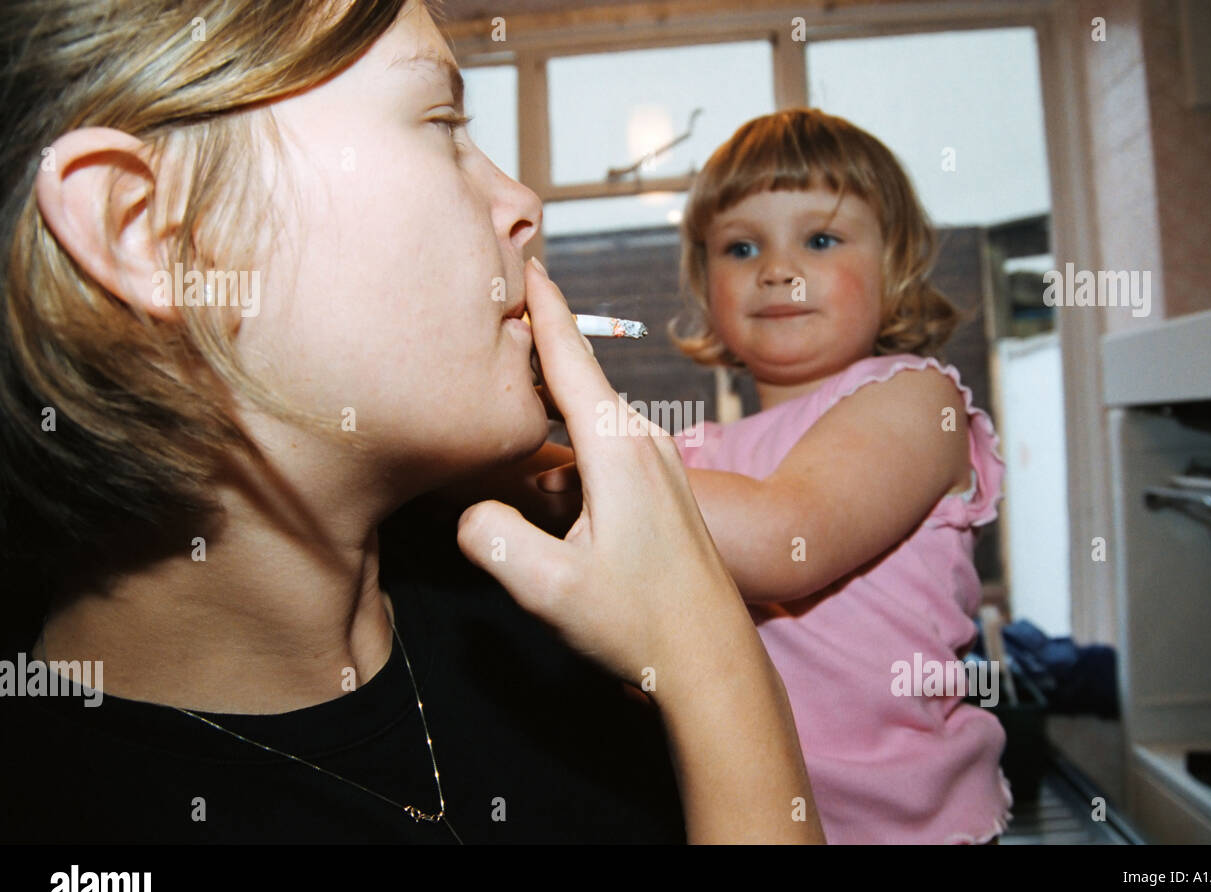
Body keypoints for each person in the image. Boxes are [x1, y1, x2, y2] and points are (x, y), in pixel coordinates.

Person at [0, 0, 822, 845]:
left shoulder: (536, 608)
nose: (523, 202)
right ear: (149, 232)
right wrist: (711, 666)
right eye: (442, 122)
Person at [667, 110, 1013, 843]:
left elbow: (785, 537)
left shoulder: (918, 399)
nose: (775, 268)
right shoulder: (689, 456)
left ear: (895, 265)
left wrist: (587, 459)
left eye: (820, 239)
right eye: (740, 246)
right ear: (706, 281)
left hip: (912, 828)